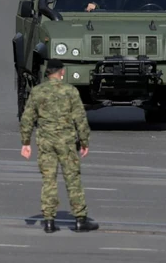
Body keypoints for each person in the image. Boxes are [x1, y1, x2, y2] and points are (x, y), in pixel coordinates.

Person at [19, 59, 98, 234]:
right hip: (67, 142)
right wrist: (84, 142)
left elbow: (27, 118)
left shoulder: (38, 91)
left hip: (46, 142)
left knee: (49, 180)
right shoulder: (70, 91)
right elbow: (80, 119)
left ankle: (48, 220)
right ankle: (80, 219)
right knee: (72, 179)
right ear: (62, 72)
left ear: (48, 73)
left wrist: (26, 142)